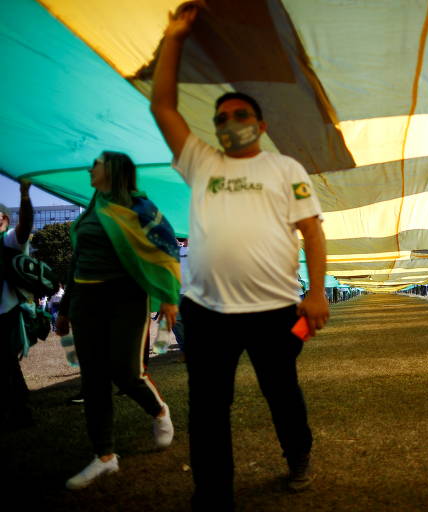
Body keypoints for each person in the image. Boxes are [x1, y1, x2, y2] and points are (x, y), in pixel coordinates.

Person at [150, 3, 330, 508]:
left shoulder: (284, 167)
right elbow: (163, 106)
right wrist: (176, 37)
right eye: (222, 118)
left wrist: (315, 295)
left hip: (278, 315)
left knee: (283, 393)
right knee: (208, 409)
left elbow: (312, 235)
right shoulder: (200, 161)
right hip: (206, 315)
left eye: (240, 115)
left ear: (260, 122)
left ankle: (299, 456)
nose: (231, 123)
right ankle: (212, 494)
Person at [55, 152, 180, 490]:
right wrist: (65, 307)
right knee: (94, 380)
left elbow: (165, 246)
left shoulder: (139, 207)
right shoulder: (93, 207)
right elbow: (77, 261)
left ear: (112, 170)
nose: (89, 169)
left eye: (95, 164)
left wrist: (169, 296)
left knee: (127, 372)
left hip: (126, 297)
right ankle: (104, 456)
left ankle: (158, 411)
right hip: (86, 300)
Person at [0, 180, 33, 431]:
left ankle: (20, 411)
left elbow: (26, 226)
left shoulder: (10, 240)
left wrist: (24, 196)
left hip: (5, 311)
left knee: (6, 361)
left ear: (5, 220)